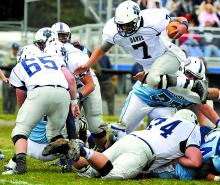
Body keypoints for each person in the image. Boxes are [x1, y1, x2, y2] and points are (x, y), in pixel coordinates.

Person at [74, 0, 208, 103]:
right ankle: (207, 91)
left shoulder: (152, 19)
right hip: (149, 66)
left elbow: (177, 20)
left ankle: (198, 87)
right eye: (121, 25)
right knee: (192, 97)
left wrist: (184, 25)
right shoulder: (113, 30)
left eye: (128, 24)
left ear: (137, 18)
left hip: (167, 57)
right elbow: (103, 48)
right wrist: (88, 64)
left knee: (155, 81)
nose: (125, 28)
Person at [43, 109, 202, 180]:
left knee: (89, 172)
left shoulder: (163, 120)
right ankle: (83, 150)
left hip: (132, 138)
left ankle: (72, 146)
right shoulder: (192, 128)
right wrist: (177, 159)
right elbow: (195, 161)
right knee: (112, 174)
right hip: (144, 151)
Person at [8, 29, 78, 174]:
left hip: (40, 93)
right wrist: (74, 102)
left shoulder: (21, 65)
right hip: (63, 94)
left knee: (20, 130)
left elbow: (20, 94)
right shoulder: (53, 59)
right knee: (55, 134)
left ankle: (20, 165)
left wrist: (25, 114)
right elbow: (70, 79)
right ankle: (68, 161)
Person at [109, 57, 219, 139]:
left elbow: (203, 103)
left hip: (164, 107)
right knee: (120, 132)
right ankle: (104, 149)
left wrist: (217, 123)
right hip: (142, 98)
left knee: (170, 137)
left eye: (196, 78)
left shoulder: (194, 87)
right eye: (189, 75)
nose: (192, 79)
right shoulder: (172, 72)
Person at [51, 22, 107, 151]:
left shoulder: (76, 56)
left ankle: (103, 151)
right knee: (67, 128)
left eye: (64, 36)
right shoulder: (48, 53)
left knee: (95, 126)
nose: (61, 39)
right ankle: (68, 157)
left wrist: (74, 98)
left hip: (85, 86)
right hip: (71, 89)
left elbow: (90, 84)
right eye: (58, 36)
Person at [2, 42, 19, 114]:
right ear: (12, 49)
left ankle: (12, 111)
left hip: (15, 79)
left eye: (16, 49)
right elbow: (6, 65)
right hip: (7, 77)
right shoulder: (7, 56)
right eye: (14, 49)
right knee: (6, 95)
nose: (15, 50)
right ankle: (5, 110)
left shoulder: (19, 57)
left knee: (13, 95)